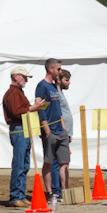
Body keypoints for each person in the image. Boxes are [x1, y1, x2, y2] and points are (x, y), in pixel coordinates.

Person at [2, 66, 47, 208]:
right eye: (24, 77)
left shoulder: (18, 92)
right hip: (19, 129)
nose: (26, 80)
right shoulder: (12, 93)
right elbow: (16, 112)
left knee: (25, 164)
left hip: (24, 129)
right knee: (19, 164)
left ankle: (20, 195)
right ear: (17, 77)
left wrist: (36, 107)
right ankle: (15, 196)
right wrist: (33, 107)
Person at [36, 58, 70, 202]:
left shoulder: (54, 87)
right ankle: (49, 192)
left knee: (64, 162)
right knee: (49, 162)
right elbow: (40, 108)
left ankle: (65, 192)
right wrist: (46, 129)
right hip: (50, 130)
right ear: (51, 69)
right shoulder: (42, 86)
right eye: (58, 69)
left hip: (60, 130)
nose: (60, 71)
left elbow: (58, 109)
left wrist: (63, 127)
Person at [52, 68, 75, 199]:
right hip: (60, 131)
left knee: (65, 162)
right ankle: (59, 190)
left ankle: (63, 188)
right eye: (67, 80)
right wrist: (64, 129)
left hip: (66, 132)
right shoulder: (56, 93)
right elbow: (59, 114)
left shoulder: (61, 93)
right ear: (59, 80)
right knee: (60, 162)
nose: (69, 82)